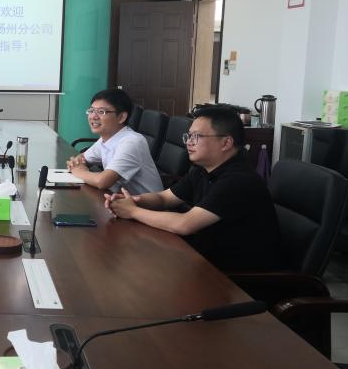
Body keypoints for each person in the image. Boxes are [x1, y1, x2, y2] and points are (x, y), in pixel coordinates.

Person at [107, 105, 282, 272]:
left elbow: (185, 224)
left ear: (226, 143)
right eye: (188, 136)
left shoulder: (238, 180)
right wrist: (132, 201)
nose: (189, 143)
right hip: (203, 258)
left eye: (196, 137)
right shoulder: (202, 169)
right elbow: (164, 198)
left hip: (235, 277)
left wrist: (133, 211)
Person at [66, 89, 163, 195]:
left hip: (146, 204)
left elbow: (102, 181)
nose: (93, 116)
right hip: (120, 199)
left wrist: (78, 171)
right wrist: (77, 163)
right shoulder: (106, 138)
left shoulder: (132, 142)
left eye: (101, 112)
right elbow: (82, 158)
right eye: (91, 110)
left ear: (121, 117)